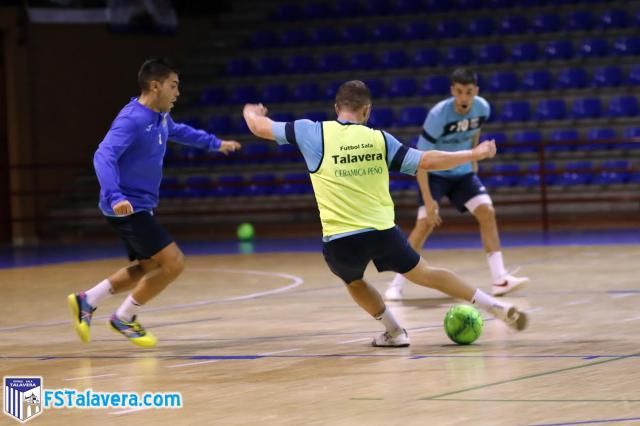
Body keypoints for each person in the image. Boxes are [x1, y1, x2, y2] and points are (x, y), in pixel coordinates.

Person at [242, 80, 527, 348]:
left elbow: (259, 127)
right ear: (367, 110)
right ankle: (494, 305)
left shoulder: (311, 131)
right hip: (382, 232)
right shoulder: (380, 139)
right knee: (425, 273)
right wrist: (472, 154)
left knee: (354, 282)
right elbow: (427, 159)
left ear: (336, 108)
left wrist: (250, 112)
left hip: (340, 239)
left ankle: (394, 332)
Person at [67, 58, 241, 348]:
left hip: (140, 205)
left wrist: (214, 143)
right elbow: (103, 156)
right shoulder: (132, 119)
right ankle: (124, 316)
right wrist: (116, 195)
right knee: (174, 263)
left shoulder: (159, 117)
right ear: (155, 85)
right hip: (126, 207)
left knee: (149, 266)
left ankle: (87, 300)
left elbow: (181, 132)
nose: (177, 93)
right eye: (173, 86)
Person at [385, 68, 529, 301]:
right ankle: (396, 284)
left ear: (476, 92)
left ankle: (500, 279)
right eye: (460, 92)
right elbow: (421, 159)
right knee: (424, 224)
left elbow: (475, 132)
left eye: (469, 92)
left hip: (462, 174)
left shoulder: (482, 107)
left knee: (487, 211)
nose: (464, 98)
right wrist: (429, 201)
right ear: (453, 90)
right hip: (434, 174)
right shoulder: (437, 115)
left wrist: (473, 164)